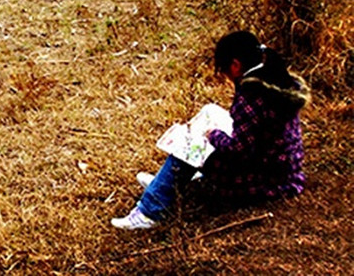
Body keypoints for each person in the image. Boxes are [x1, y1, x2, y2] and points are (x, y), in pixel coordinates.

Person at [111, 31, 310, 230]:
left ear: (235, 65)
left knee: (189, 145)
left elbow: (238, 150)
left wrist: (213, 136)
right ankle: (165, 183)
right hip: (283, 171)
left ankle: (150, 210)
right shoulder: (275, 77)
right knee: (210, 112)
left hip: (265, 181)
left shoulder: (252, 96)